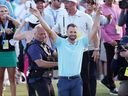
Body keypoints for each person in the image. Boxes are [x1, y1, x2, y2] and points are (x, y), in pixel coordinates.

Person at [29, 5, 101, 95]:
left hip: (77, 81)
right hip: (63, 81)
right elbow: (49, 30)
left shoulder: (81, 43)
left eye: (75, 32)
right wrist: (39, 16)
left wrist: (97, 16)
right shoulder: (60, 42)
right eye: (71, 32)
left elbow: (94, 30)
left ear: (77, 33)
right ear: (67, 32)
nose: (73, 34)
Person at [26, 24, 57, 96]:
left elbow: (55, 54)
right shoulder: (33, 47)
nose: (43, 36)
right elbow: (40, 63)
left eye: (44, 34)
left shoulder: (44, 45)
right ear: (34, 34)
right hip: (38, 78)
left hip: (46, 77)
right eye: (40, 34)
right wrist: (58, 63)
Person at [100, 0, 123, 94]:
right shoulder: (101, 8)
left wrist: (124, 36)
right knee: (111, 62)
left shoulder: (117, 6)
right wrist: (110, 40)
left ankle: (106, 79)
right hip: (109, 40)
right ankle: (112, 86)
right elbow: (101, 28)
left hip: (120, 38)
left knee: (122, 61)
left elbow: (122, 23)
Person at [0, 5, 19, 96]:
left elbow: (19, 25)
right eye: (1, 11)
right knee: (0, 78)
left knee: (12, 79)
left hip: (10, 53)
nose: (4, 13)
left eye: (5, 11)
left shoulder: (11, 22)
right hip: (0, 53)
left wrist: (10, 17)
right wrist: (3, 31)